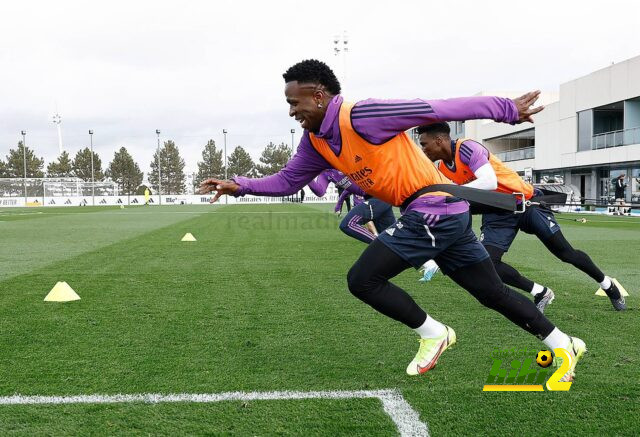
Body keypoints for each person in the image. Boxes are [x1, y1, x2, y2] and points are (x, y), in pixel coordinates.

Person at [199, 59, 585, 380]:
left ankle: (435, 333)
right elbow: (288, 180)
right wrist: (240, 184)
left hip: (433, 209)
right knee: (492, 293)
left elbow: (435, 109)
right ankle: (562, 344)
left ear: (318, 96)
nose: (291, 111)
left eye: (294, 102)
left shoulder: (363, 115)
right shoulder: (316, 140)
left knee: (362, 279)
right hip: (444, 214)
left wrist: (505, 109)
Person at [417, 122, 626, 311]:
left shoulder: (467, 148)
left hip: (527, 204)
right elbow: (464, 200)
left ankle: (607, 284)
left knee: (565, 253)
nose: (423, 150)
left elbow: (488, 181)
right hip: (497, 213)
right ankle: (540, 292)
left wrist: (452, 193)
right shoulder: (443, 167)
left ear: (440, 140)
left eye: (425, 144)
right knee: (489, 263)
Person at [308, 169, 396, 243]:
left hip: (380, 192)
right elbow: (320, 191)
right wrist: (306, 176)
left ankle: (380, 245)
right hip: (375, 198)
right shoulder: (325, 173)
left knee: (348, 224)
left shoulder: (342, 157)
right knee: (392, 238)